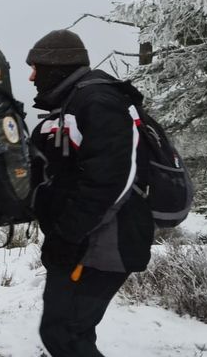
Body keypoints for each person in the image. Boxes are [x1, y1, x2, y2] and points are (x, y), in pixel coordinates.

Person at [26, 29, 153, 357]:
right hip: (84, 243)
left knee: (67, 333)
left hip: (104, 243)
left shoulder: (98, 101)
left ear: (58, 67)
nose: (31, 77)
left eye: (36, 68)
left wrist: (67, 236)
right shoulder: (72, 105)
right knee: (61, 331)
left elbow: (113, 179)